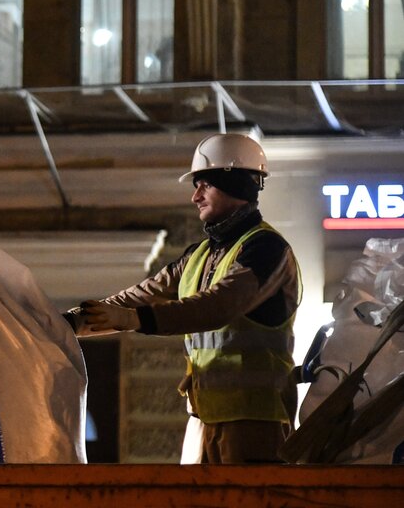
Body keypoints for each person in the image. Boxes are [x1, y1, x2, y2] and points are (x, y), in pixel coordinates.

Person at [66, 133, 301, 464]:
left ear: (235, 186)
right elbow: (134, 298)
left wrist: (136, 320)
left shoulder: (267, 250)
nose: (195, 196)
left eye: (205, 184)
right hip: (203, 419)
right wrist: (63, 324)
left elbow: (218, 306)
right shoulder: (199, 255)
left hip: (253, 422)